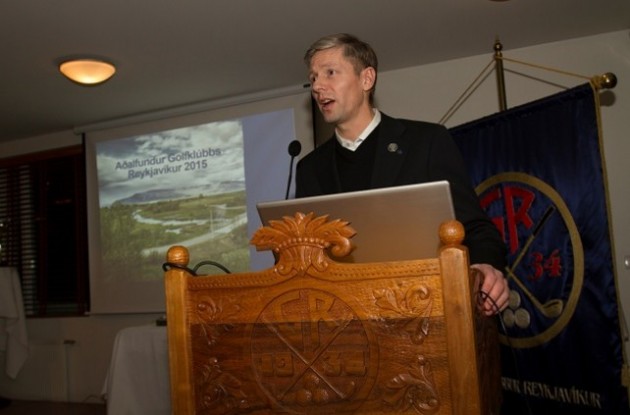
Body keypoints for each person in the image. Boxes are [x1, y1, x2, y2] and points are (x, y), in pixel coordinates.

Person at [296, 33, 509, 316]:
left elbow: (475, 228)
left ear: (366, 79)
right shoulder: (309, 169)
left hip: (428, 309)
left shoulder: (427, 142)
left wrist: (485, 267)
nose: (317, 86)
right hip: (343, 320)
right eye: (313, 78)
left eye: (330, 73)